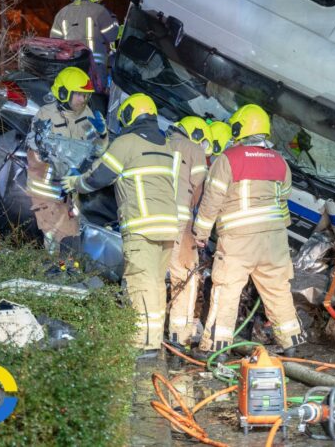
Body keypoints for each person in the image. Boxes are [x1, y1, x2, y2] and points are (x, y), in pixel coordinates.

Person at [65, 93, 180, 357]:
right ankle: (153, 341)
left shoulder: (127, 142)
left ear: (129, 115)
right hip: (167, 226)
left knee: (139, 284)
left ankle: (142, 344)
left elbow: (99, 177)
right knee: (155, 284)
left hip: (142, 226)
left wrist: (75, 183)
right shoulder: (166, 146)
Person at [193, 104, 304, 359]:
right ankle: (291, 344)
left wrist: (200, 233)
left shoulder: (229, 159)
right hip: (274, 240)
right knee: (278, 291)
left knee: (226, 291)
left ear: (238, 129)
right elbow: (283, 197)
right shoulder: (280, 161)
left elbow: (212, 199)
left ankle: (216, 349)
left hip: (239, 241)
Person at [25, 67, 107, 252]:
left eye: (86, 95)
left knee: (72, 233)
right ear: (63, 93)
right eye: (78, 94)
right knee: (54, 233)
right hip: (47, 187)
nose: (83, 99)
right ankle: (52, 263)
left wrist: (102, 136)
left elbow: (95, 150)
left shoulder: (86, 114)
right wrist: (66, 168)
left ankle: (65, 263)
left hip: (71, 189)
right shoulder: (46, 115)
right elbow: (40, 152)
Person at [166, 116, 211, 349]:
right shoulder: (194, 150)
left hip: (152, 218)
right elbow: (198, 191)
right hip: (180, 220)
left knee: (151, 276)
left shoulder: (161, 142)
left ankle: (144, 331)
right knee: (185, 277)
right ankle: (179, 335)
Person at [50, 0, 119, 61]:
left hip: (70, 64)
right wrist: (113, 19)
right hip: (95, 64)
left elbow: (54, 42)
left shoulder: (61, 13)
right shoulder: (100, 11)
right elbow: (113, 36)